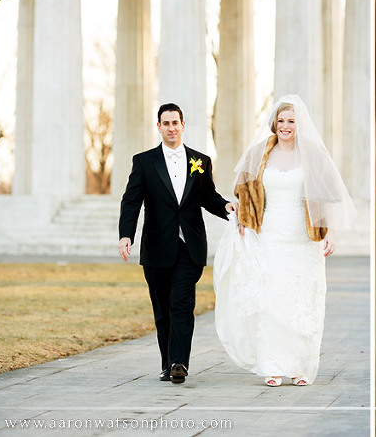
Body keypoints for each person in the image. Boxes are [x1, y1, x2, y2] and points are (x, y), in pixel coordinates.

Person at [213, 94, 356, 387]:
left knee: (304, 300)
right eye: (281, 121)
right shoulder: (259, 153)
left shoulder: (313, 154)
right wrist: (243, 215)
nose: (286, 126)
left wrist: (329, 232)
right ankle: (273, 366)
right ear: (274, 124)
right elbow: (244, 191)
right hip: (271, 237)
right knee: (272, 300)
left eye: (291, 121)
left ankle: (302, 367)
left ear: (299, 125)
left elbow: (324, 196)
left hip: (304, 239)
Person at [118, 103, 238, 384]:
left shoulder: (201, 160)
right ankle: (166, 362)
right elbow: (131, 200)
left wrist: (226, 207)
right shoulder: (144, 162)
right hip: (156, 248)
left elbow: (208, 197)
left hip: (190, 248)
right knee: (162, 311)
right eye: (166, 123)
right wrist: (126, 235)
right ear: (158, 127)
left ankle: (179, 363)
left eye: (175, 123)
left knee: (181, 305)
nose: (171, 128)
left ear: (183, 125)